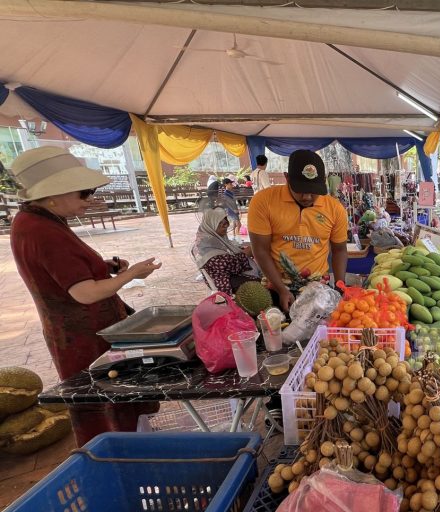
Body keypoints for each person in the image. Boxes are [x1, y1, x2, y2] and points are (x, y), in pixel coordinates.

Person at [9, 147, 162, 446]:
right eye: (83, 193)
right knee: (105, 406)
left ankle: (133, 449)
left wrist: (103, 267)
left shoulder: (36, 220)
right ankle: (121, 457)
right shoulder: (42, 230)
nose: (89, 199)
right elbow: (85, 293)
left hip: (80, 333)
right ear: (54, 194)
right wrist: (129, 275)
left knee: (115, 400)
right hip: (84, 340)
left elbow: (60, 273)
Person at [247, 149, 348, 312]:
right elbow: (260, 250)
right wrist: (281, 289)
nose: (307, 196)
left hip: (318, 289)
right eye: (300, 189)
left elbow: (339, 250)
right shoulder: (263, 201)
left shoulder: (335, 208)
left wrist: (340, 286)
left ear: (323, 181)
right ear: (287, 178)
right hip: (275, 288)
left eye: (313, 190)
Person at [192, 207, 258, 295]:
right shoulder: (207, 245)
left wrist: (245, 251)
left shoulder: (216, 239)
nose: (226, 225)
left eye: (226, 221)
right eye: (220, 223)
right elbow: (229, 266)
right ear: (211, 224)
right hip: (226, 283)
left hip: (232, 277)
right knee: (268, 287)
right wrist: (246, 253)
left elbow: (230, 253)